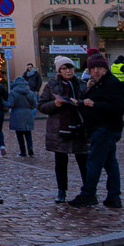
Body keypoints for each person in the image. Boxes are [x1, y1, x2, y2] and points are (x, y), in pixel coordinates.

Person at [70, 52, 124, 209]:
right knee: (110, 163)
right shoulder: (97, 83)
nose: (95, 71)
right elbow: (94, 101)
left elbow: (119, 108)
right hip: (100, 128)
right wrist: (81, 102)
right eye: (93, 68)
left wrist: (92, 104)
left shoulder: (113, 84)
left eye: (99, 68)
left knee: (94, 162)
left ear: (105, 68)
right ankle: (114, 197)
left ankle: (88, 194)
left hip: (106, 128)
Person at [38, 56, 91, 204]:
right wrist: (55, 104)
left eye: (70, 68)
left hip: (79, 127)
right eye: (64, 68)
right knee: (61, 162)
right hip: (59, 128)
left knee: (83, 160)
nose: (68, 71)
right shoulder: (52, 85)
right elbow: (42, 105)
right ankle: (62, 191)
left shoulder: (82, 84)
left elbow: (88, 103)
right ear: (59, 70)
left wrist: (80, 103)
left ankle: (88, 190)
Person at [6, 74, 37, 158]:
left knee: (19, 134)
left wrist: (3, 102)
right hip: (28, 114)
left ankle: (23, 151)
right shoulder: (30, 92)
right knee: (28, 133)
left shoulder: (13, 92)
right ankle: (30, 149)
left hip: (17, 114)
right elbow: (34, 104)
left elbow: (10, 104)